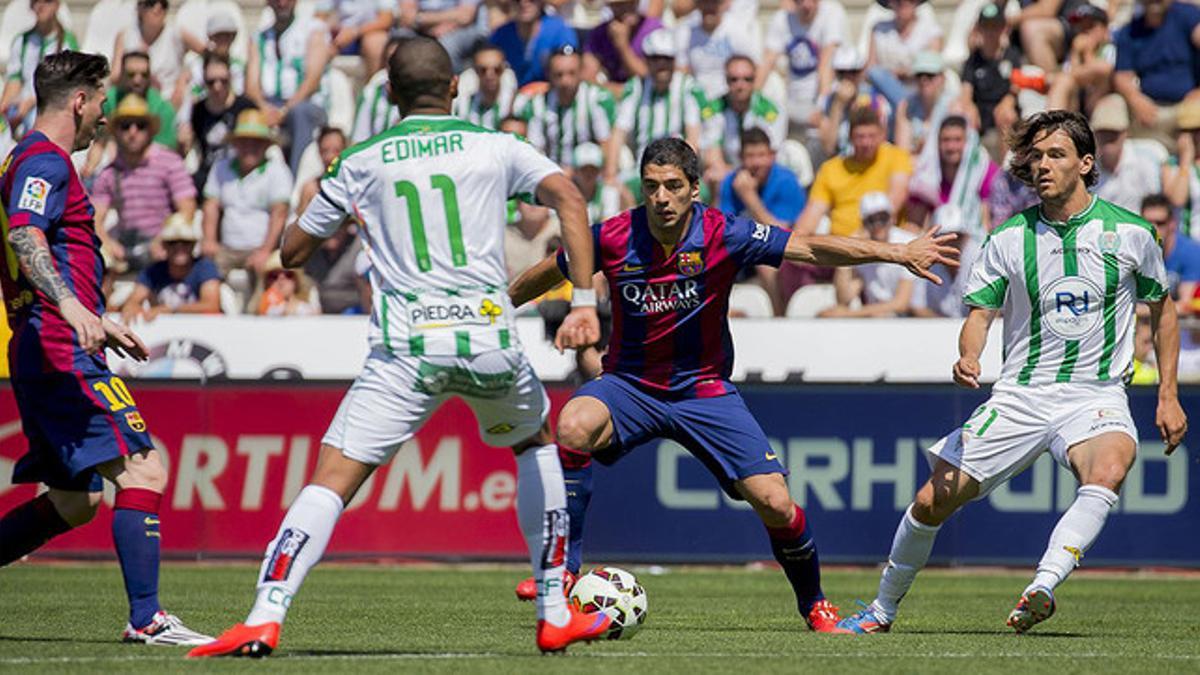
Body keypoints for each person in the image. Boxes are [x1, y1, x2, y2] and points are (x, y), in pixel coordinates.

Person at [188, 35, 605, 658]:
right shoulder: (495, 146)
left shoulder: (364, 159)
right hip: (489, 335)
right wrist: (580, 303)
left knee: (333, 477)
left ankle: (264, 614)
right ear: (456, 88)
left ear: (388, 94)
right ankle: (552, 609)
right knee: (532, 444)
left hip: (408, 345)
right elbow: (571, 197)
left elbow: (293, 253)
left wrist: (344, 203)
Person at [508, 137, 959, 635]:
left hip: (703, 390)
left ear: (694, 190)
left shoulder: (725, 232)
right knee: (570, 424)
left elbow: (809, 246)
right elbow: (547, 272)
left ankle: (814, 604)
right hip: (629, 385)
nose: (661, 197)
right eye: (652, 187)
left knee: (776, 503)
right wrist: (493, 309)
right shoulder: (614, 236)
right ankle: (564, 570)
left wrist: (894, 252)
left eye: (673, 186)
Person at [837, 110, 1189, 635]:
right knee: (933, 499)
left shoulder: (1132, 234)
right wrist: (969, 355)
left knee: (1110, 465)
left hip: (1094, 393)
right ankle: (881, 610)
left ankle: (1042, 585)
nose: (1042, 165)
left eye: (1056, 155)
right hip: (1020, 396)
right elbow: (979, 313)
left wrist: (1167, 395)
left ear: (1085, 163)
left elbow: (1162, 311)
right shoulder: (1007, 237)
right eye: (1037, 156)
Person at [0, 49, 210, 646]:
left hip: (49, 339)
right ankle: (147, 617)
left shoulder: (25, 158)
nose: (106, 117)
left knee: (73, 501)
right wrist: (70, 307)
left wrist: (91, 313)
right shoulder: (44, 160)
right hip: (61, 346)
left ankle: (146, 614)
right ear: (80, 101)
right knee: (144, 466)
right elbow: (24, 231)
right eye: (102, 103)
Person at [92, 93, 197, 274]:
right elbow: (94, 217)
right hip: (126, 246)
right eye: (125, 126)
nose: (133, 132)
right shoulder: (109, 172)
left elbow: (187, 208)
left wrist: (165, 239)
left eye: (140, 125)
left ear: (150, 130)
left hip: (165, 247)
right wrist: (109, 245)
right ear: (116, 131)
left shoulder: (169, 162)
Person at [720, 128, 806, 314]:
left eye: (762, 155)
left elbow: (784, 235)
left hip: (776, 256)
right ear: (740, 158)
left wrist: (750, 198)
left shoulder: (786, 181)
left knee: (766, 263)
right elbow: (722, 229)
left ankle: (779, 319)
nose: (756, 162)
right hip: (738, 253)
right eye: (750, 156)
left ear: (772, 156)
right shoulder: (729, 183)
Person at [604, 29, 706, 185]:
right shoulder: (636, 87)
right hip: (642, 170)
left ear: (674, 60)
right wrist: (610, 174)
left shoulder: (687, 87)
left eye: (666, 58)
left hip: (678, 169)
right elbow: (619, 132)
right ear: (646, 60)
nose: (661, 64)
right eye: (656, 58)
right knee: (617, 190)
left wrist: (687, 174)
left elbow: (693, 136)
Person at [200, 109, 293, 280]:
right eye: (244, 142)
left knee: (267, 282)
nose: (250, 147)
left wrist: (265, 251)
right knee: (204, 275)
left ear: (266, 145)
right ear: (235, 144)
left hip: (259, 248)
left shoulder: (277, 171)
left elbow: (279, 214)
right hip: (225, 249)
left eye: (256, 142)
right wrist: (209, 240)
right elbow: (211, 205)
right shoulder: (221, 167)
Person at [797, 105, 912, 238]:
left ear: (882, 135)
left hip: (882, 239)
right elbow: (812, 214)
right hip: (840, 243)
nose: (866, 143)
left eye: (871, 136)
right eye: (860, 136)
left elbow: (895, 199)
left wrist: (858, 238)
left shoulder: (896, 157)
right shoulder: (831, 168)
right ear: (850, 137)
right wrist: (798, 239)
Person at [246, 0, 332, 174]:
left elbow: (312, 82)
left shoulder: (314, 30)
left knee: (299, 113)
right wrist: (266, 109)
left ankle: (296, 182)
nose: (282, 3)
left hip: (306, 105)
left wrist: (284, 111)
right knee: (245, 112)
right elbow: (251, 86)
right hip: (270, 106)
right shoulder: (258, 38)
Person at [757, 0, 847, 138]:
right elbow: (767, 61)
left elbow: (826, 66)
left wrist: (821, 107)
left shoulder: (832, 13)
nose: (807, 5)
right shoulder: (782, 18)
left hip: (821, 99)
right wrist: (752, 97)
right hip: (792, 101)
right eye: (800, 0)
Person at [819, 191, 917, 317]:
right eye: (871, 220)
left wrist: (849, 314)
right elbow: (844, 299)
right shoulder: (863, 251)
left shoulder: (908, 243)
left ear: (893, 218)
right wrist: (846, 257)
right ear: (864, 224)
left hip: (911, 320)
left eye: (882, 218)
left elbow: (902, 304)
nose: (877, 225)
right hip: (879, 319)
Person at [518, 47, 616, 168]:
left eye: (571, 73)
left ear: (581, 72)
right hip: (552, 174)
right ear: (549, 75)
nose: (565, 81)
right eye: (559, 75)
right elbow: (535, 149)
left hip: (589, 174)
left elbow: (606, 145)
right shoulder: (537, 104)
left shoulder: (596, 99)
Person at [1112, 0, 1200, 135]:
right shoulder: (1129, 32)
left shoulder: (1187, 15)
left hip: (1189, 107)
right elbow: (1122, 75)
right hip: (1151, 110)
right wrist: (1135, 99)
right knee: (1111, 106)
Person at [120, 212, 222, 323]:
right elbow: (134, 299)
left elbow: (211, 305)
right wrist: (132, 306)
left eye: (185, 242)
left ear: (193, 245)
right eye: (172, 243)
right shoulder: (153, 271)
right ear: (164, 245)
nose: (179, 248)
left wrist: (171, 309)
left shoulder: (205, 267)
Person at [907, 115, 1000, 235]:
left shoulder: (984, 171)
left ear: (967, 142)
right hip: (937, 241)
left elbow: (985, 223)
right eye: (946, 140)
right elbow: (916, 223)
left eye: (957, 140)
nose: (951, 147)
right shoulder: (928, 177)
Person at [703, 55, 786, 184]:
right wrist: (731, 174)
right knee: (711, 177)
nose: (740, 85)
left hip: (762, 173)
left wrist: (739, 175)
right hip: (726, 174)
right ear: (726, 80)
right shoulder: (714, 109)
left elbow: (770, 156)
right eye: (734, 79)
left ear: (755, 80)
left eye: (747, 79)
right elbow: (712, 154)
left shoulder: (771, 111)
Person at [1, 0, 78, 137]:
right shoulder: (22, 41)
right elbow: (14, 81)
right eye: (35, 1)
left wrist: (30, 102)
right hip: (21, 106)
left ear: (56, 5)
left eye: (47, 1)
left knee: (33, 121)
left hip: (51, 108)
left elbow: (63, 88)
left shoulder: (67, 43)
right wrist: (5, 110)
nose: (41, 5)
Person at [112, 0, 203, 110]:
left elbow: (208, 55)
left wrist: (185, 77)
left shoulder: (176, 33)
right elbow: (115, 77)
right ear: (139, 8)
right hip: (135, 100)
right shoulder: (125, 36)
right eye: (151, 3)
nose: (157, 8)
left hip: (171, 100)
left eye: (163, 4)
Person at [188, 52, 256, 193]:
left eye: (223, 81)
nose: (217, 87)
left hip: (238, 173)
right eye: (211, 82)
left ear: (230, 78)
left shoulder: (245, 107)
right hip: (208, 173)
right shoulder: (198, 110)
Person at [674, 0, 761, 102]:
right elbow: (681, 70)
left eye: (714, 2)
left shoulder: (736, 29)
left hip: (729, 100)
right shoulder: (686, 32)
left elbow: (754, 67)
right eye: (705, 2)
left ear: (724, 4)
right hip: (696, 97)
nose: (709, 7)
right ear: (697, 5)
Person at [959, 4, 1022, 141]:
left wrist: (1007, 103)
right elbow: (966, 92)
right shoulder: (973, 60)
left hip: (1004, 109)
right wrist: (969, 106)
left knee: (1006, 115)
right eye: (986, 27)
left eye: (995, 26)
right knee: (963, 113)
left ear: (1003, 28)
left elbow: (1016, 87)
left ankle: (1007, 162)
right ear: (979, 29)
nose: (990, 32)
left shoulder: (1012, 56)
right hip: (981, 110)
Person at [1090, 95, 1162, 213]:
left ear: (1125, 133)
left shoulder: (1145, 161)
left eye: (1114, 133)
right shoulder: (1087, 169)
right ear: (1095, 135)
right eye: (1103, 132)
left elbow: (1154, 206)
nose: (1108, 138)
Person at [865, 0, 943, 110]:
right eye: (898, 1)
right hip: (882, 91)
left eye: (909, 0)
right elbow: (870, 69)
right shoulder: (878, 28)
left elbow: (932, 69)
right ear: (889, 3)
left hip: (917, 90)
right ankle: (904, 108)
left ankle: (905, 108)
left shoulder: (931, 30)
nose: (904, 3)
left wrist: (901, 73)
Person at [1045, 5, 1115, 114]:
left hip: (1100, 101)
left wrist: (1088, 54)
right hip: (1076, 104)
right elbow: (1067, 75)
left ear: (1105, 29)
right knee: (1063, 81)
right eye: (1081, 27)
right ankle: (1055, 123)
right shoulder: (1075, 49)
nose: (1085, 32)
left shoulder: (1110, 48)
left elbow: (1104, 70)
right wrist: (1076, 55)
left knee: (1065, 78)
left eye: (1090, 26)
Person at [101, 51, 179, 149]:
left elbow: (165, 150)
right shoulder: (106, 102)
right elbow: (98, 141)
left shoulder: (163, 109)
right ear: (122, 75)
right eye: (131, 74)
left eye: (144, 75)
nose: (137, 80)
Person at [490, 0, 577, 86]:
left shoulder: (560, 31)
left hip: (550, 95)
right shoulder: (501, 35)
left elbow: (570, 71)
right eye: (517, 0)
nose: (524, 3)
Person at [582, 0, 663, 91]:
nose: (627, 10)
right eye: (620, 5)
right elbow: (587, 76)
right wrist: (614, 90)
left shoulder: (654, 30)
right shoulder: (599, 33)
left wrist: (622, 46)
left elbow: (648, 78)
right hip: (608, 97)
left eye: (631, 3)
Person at [1142, 193, 1200, 318]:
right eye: (1147, 223)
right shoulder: (1133, 253)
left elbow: (1186, 306)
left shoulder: (1191, 253)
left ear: (1172, 223)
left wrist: (1138, 310)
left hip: (1185, 328)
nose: (1153, 228)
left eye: (1160, 223)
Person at [893, 51, 957, 155]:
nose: (924, 80)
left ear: (942, 78)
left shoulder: (953, 106)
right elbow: (902, 152)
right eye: (919, 75)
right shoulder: (906, 106)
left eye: (930, 75)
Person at [397, 0, 486, 73]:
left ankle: (449, 87)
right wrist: (430, 24)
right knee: (400, 41)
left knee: (447, 45)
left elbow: (465, 16)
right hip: (420, 28)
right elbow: (407, 16)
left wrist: (422, 19)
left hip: (459, 29)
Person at [317, 0, 394, 77]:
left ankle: (374, 86)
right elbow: (319, 19)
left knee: (376, 44)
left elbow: (386, 20)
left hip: (370, 32)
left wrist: (355, 32)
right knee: (318, 43)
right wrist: (330, 38)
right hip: (340, 34)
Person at [352, 36, 403, 143]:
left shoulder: (422, 93)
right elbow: (358, 141)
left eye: (398, 60)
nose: (393, 66)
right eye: (389, 60)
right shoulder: (372, 92)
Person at [452, 44, 515, 130]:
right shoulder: (463, 106)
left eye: (497, 70)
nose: (490, 75)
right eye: (483, 70)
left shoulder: (519, 105)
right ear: (475, 71)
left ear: (504, 69)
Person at [1162, 100, 1200, 238]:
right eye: (1189, 132)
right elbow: (1177, 199)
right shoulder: (1171, 165)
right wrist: (1186, 159)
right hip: (1186, 241)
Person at [298, 126, 348, 212]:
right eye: (325, 151)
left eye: (336, 150)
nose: (330, 157)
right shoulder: (310, 189)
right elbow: (300, 223)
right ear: (319, 152)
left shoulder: (354, 188)